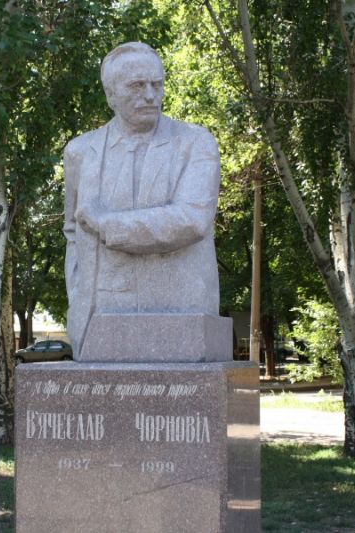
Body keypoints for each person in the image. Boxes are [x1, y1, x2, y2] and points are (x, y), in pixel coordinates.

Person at [63, 42, 221, 354]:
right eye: (137, 85)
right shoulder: (80, 152)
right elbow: (73, 232)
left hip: (180, 311)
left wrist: (107, 224)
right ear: (110, 94)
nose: (150, 95)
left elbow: (190, 220)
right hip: (100, 313)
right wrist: (79, 292)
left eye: (157, 85)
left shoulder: (196, 143)